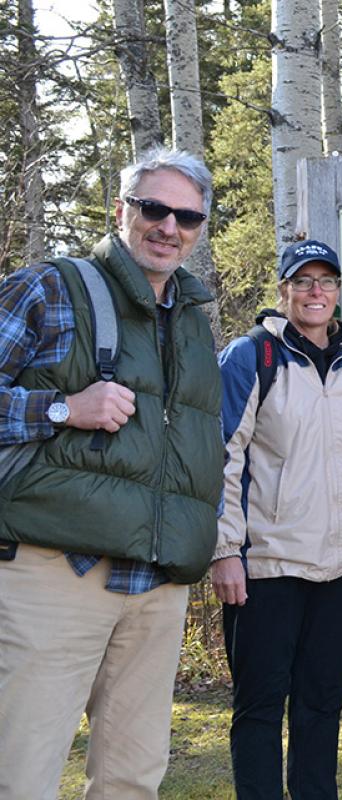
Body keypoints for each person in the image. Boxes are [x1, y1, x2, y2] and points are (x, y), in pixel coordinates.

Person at [0, 148, 223, 799]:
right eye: (154, 208)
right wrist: (64, 407)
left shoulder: (192, 323)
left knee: (132, 781)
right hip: (53, 574)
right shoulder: (49, 286)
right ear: (121, 209)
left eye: (187, 216)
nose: (169, 226)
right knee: (21, 774)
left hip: (155, 588)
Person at [210, 239, 342, 799]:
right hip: (267, 568)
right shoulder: (252, 357)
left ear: (339, 293)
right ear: (284, 292)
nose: (315, 291)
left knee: (322, 706)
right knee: (259, 708)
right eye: (303, 281)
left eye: (325, 281)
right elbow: (221, 457)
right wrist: (225, 552)